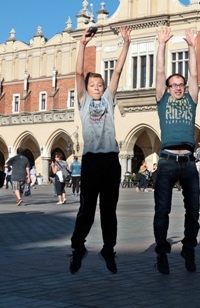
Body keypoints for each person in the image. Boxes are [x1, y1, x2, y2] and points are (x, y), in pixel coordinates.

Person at [69, 26, 130, 275]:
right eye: (93, 84)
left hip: (110, 160)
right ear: (87, 87)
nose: (97, 86)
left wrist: (126, 44)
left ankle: (108, 249)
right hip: (92, 161)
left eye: (100, 84)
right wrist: (82, 44)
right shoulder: (83, 103)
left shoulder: (109, 99)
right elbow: (78, 72)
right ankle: (78, 248)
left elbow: (117, 70)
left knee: (109, 210)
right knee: (87, 209)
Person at [152, 25, 200, 275]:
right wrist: (161, 44)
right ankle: (162, 253)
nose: (178, 87)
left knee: (193, 211)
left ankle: (189, 250)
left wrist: (192, 46)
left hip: (189, 162)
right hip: (167, 160)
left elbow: (195, 74)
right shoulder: (163, 99)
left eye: (181, 84)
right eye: (174, 85)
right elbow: (160, 71)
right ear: (168, 88)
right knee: (162, 210)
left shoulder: (192, 99)